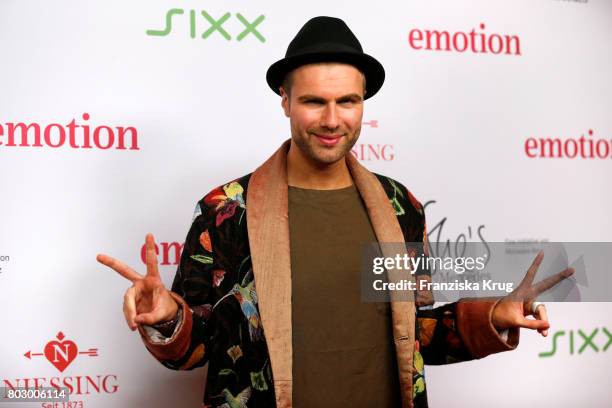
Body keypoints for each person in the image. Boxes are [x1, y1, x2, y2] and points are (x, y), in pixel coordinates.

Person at [97, 16, 574, 408]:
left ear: (362, 104)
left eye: (348, 101)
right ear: (285, 101)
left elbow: (419, 332)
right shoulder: (225, 211)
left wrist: (494, 315)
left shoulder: (398, 206)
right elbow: (196, 345)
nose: (332, 119)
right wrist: (166, 318)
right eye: (313, 101)